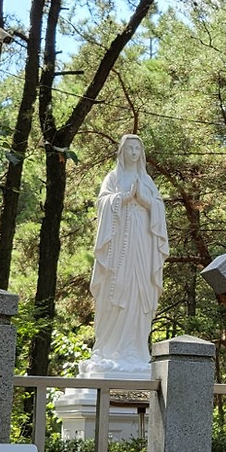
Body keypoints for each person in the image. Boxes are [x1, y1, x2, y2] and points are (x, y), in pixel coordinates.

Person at [88, 134, 169, 372]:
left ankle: (135, 349)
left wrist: (144, 201)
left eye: (137, 149)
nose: (134, 152)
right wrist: (123, 198)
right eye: (130, 148)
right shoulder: (113, 178)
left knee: (140, 290)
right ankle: (109, 348)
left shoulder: (147, 181)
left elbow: (158, 207)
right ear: (122, 152)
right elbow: (102, 203)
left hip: (142, 244)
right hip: (118, 248)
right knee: (116, 288)